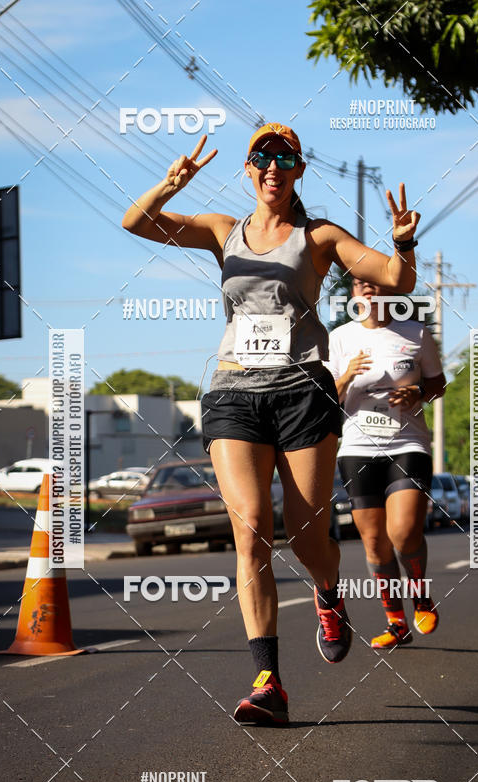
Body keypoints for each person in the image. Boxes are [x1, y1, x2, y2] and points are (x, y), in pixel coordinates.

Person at [122, 123, 420, 723]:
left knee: (307, 537)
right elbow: (137, 222)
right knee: (252, 525)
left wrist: (403, 243)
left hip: (302, 390)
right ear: (249, 168)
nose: (272, 168)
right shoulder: (222, 230)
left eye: (285, 159)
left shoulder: (320, 236)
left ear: (298, 170)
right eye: (262, 157)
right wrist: (171, 184)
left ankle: (329, 594)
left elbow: (396, 280)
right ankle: (268, 681)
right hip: (233, 390)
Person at [327, 280, 445, 648]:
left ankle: (421, 597)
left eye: (374, 284)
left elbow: (438, 384)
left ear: (390, 292)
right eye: (359, 285)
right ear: (353, 295)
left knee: (404, 532)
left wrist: (418, 392)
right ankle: (396, 622)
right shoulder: (340, 338)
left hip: (407, 443)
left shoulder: (415, 333)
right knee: (375, 541)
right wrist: (347, 375)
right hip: (358, 448)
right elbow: (326, 397)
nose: (367, 290)